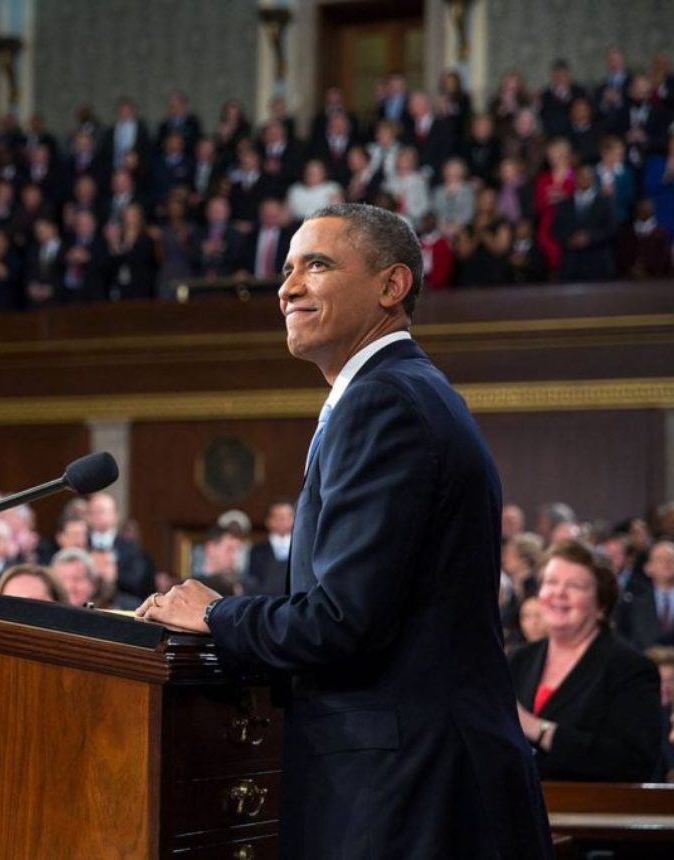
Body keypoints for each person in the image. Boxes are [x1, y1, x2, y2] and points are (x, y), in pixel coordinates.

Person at [138, 203, 552, 857]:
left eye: (317, 265)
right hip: (423, 778)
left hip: (407, 792)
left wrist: (218, 615)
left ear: (392, 286)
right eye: (286, 269)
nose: (287, 287)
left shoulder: (382, 401)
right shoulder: (403, 392)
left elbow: (342, 621)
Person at [508, 540, 663, 781]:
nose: (558, 593)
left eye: (575, 586)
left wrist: (539, 729)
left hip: (592, 811)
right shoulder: (519, 658)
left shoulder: (630, 668)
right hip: (518, 807)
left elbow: (634, 761)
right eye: (551, 582)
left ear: (601, 605)